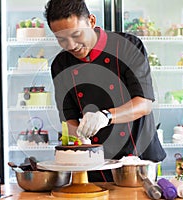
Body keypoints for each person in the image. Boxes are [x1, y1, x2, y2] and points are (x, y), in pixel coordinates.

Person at [44, 0, 166, 182]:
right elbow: (68, 118)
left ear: (91, 21)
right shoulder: (61, 65)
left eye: (76, 35)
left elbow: (144, 103)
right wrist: (79, 138)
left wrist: (105, 116)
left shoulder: (127, 46)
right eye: (61, 39)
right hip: (93, 164)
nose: (71, 45)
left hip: (136, 161)